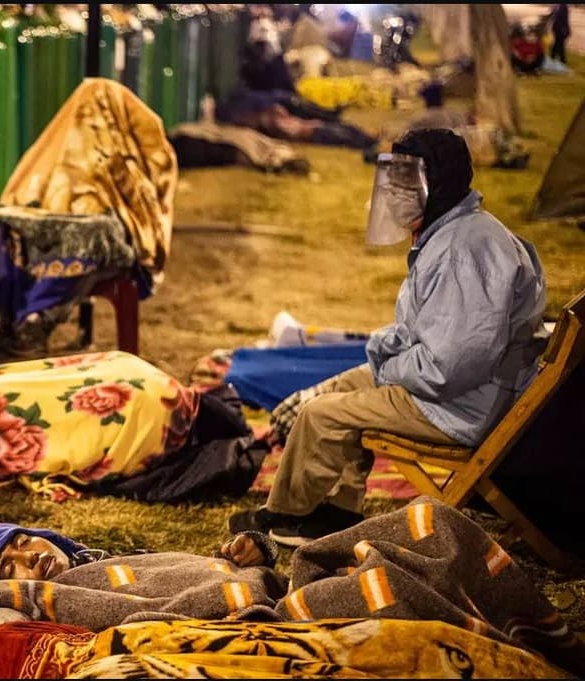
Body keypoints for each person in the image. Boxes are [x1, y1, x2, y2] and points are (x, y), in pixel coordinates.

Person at [229, 128, 546, 547]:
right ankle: (339, 509)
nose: (394, 193)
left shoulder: (461, 252)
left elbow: (446, 368)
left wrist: (389, 365)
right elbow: (430, 331)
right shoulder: (456, 229)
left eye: (405, 181)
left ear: (435, 184)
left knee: (321, 414)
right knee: (343, 385)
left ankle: (287, 519)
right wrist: (382, 354)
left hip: (460, 405)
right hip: (465, 389)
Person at [0, 522, 278, 584]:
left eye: (25, 542)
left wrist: (255, 548)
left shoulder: (118, 560)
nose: (30, 557)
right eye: (10, 569)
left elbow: (187, 568)